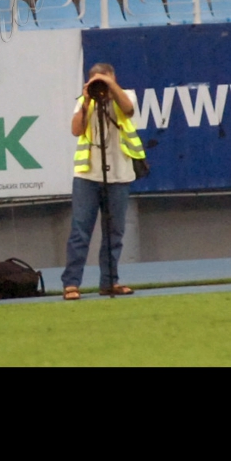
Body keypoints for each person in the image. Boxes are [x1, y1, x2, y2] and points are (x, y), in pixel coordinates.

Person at [61, 63, 146, 301]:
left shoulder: (125, 95)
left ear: (114, 78)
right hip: (87, 176)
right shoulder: (84, 101)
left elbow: (128, 110)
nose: (102, 87)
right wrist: (87, 100)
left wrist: (110, 86)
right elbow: (76, 130)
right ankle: (71, 284)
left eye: (105, 80)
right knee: (80, 231)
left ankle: (109, 281)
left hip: (118, 176)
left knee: (114, 232)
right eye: (96, 81)